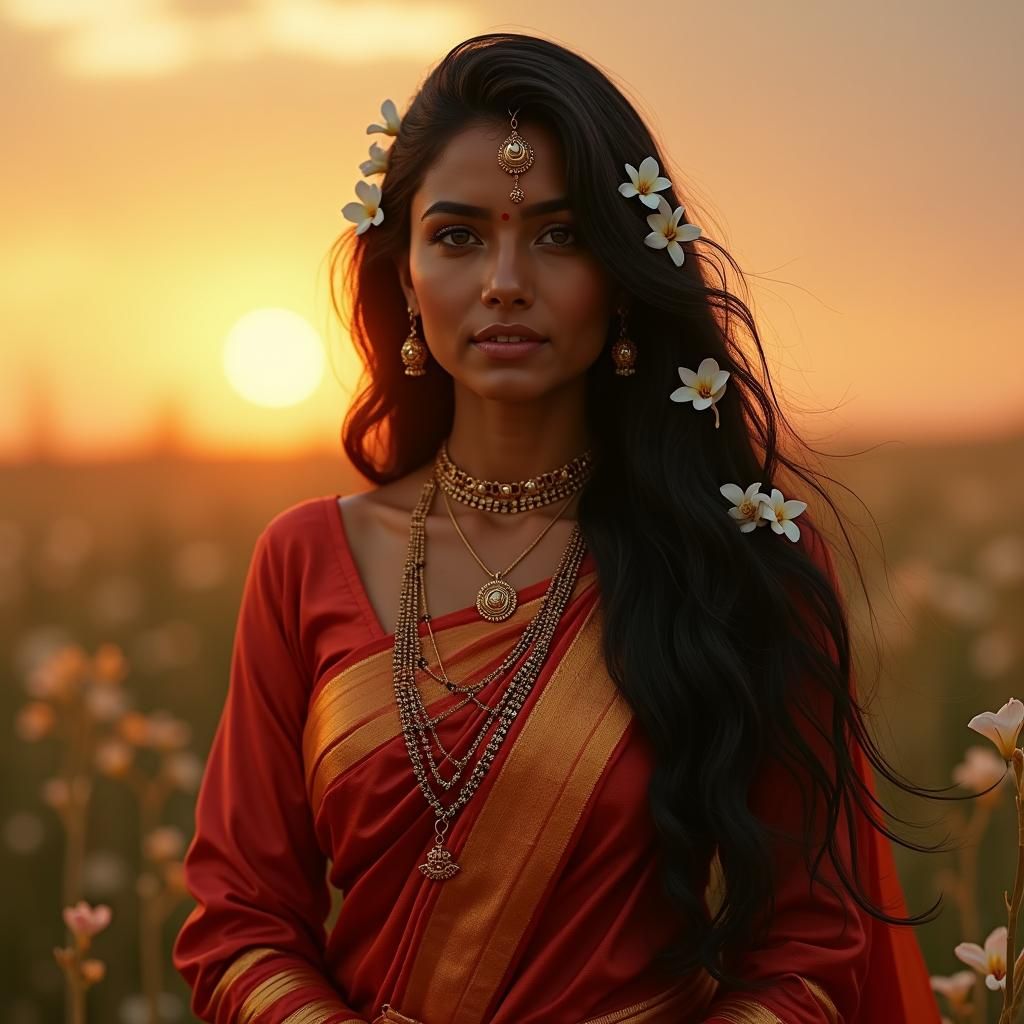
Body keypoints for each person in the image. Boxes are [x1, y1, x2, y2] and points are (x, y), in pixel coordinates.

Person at [172, 32, 945, 1024]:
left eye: (559, 233)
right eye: (456, 235)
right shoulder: (304, 560)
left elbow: (811, 943)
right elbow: (239, 919)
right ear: (403, 271)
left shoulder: (739, 558)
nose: (504, 279)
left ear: (623, 270)